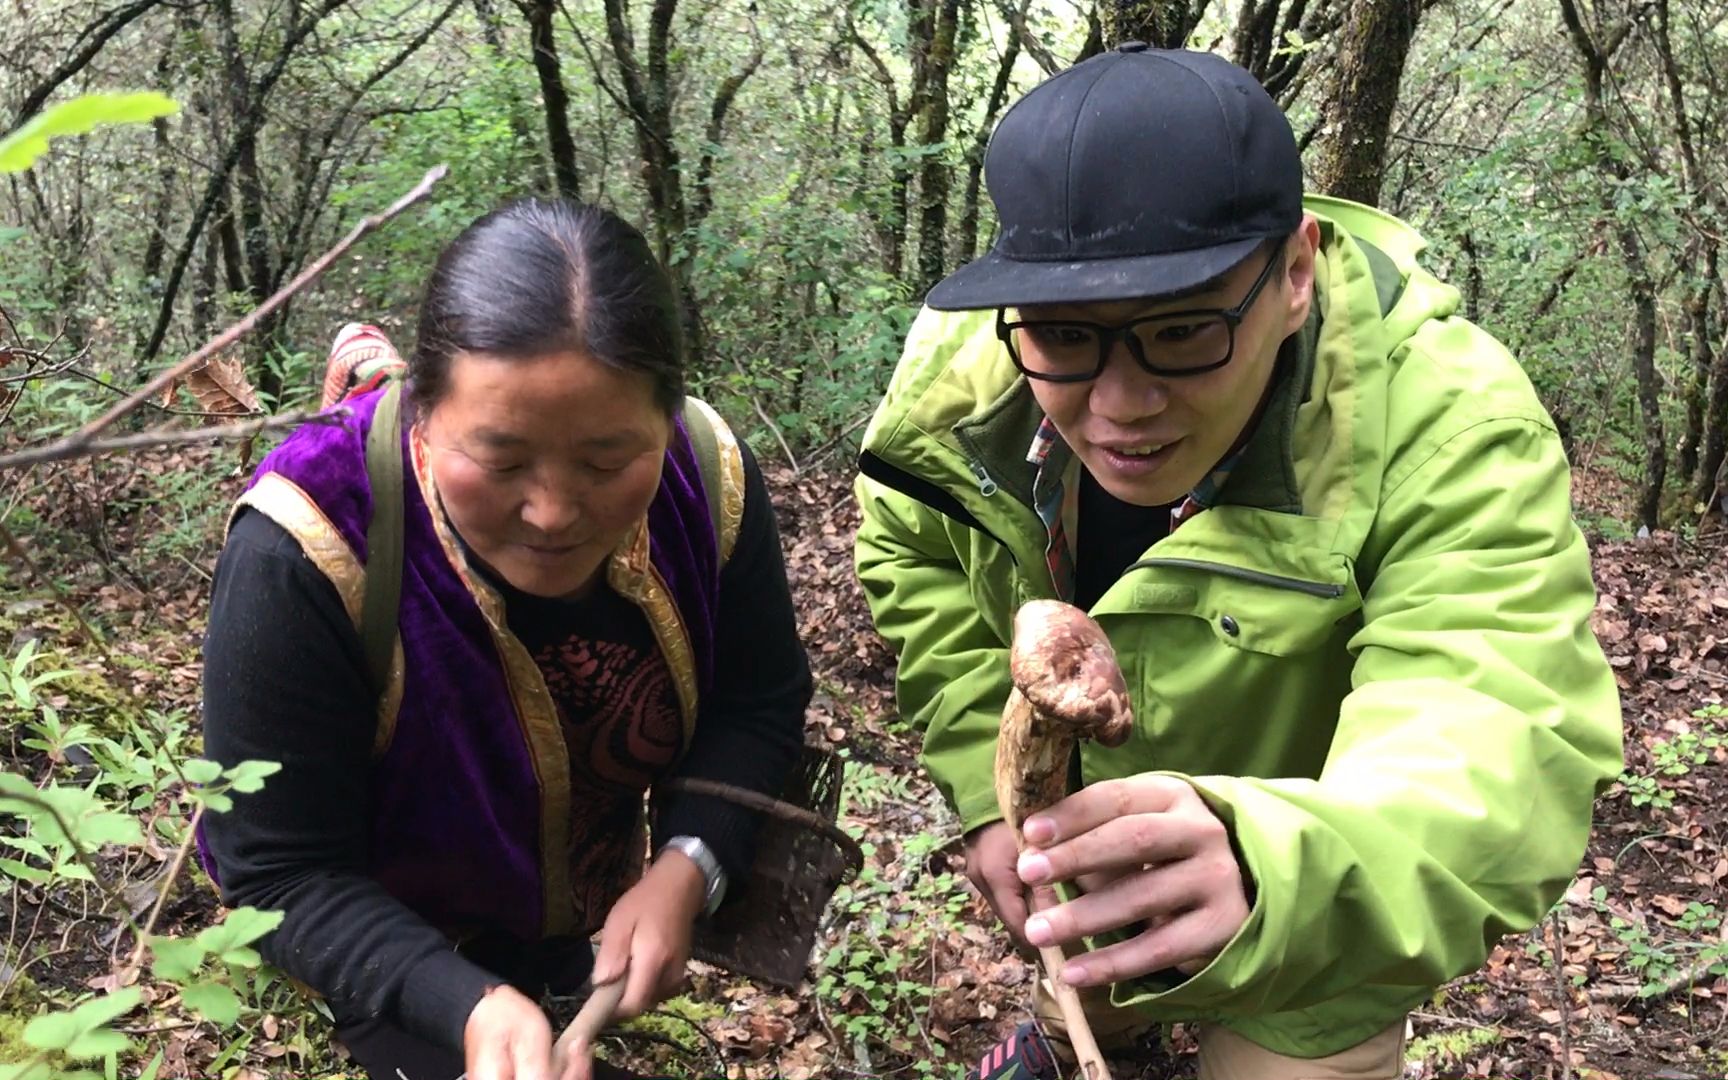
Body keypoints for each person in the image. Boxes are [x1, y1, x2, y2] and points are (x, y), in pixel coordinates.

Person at [853, 43, 1622, 1080]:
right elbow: (915, 561)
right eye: (1069, 338)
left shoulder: (1450, 427)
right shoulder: (959, 395)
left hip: (1319, 889)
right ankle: (1080, 1034)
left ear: (1295, 272)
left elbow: (1491, 726)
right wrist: (989, 799)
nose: (1121, 406)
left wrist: (1270, 871)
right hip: (1084, 851)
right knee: (1082, 967)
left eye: (1181, 332)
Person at [198, 199, 812, 1080]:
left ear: (667, 416)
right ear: (421, 411)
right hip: (384, 912)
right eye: (501, 459)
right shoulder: (304, 547)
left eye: (607, 462)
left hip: (572, 889)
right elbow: (281, 871)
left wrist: (690, 860)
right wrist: (462, 1005)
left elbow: (758, 698)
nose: (554, 513)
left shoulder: (704, 478)